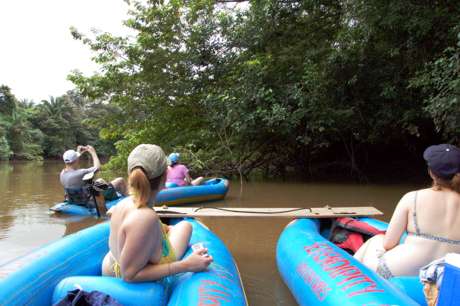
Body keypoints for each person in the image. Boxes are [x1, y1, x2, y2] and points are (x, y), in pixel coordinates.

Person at [101, 144, 213, 281]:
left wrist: (163, 229)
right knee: (185, 226)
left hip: (111, 264)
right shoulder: (145, 217)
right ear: (165, 177)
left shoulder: (123, 203)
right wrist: (186, 265)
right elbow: (129, 275)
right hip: (128, 275)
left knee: (172, 228)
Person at [354, 144, 460, 279]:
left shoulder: (412, 197)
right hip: (445, 277)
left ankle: (345, 283)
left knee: (376, 240)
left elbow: (388, 243)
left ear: (431, 172)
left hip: (400, 270)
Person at [60, 145, 126, 205]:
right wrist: (93, 152)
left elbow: (74, 168)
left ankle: (111, 194)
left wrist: (78, 153)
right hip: (89, 199)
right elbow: (98, 167)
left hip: (76, 198)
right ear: (76, 160)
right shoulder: (81, 173)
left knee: (100, 180)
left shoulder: (62, 173)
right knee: (120, 180)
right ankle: (125, 200)